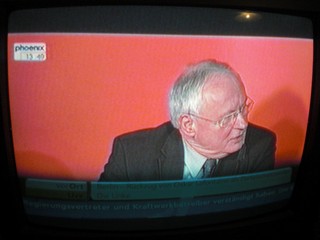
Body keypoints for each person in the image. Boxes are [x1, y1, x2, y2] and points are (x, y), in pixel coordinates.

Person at [99, 59, 276, 181]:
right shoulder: (131, 155)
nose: (243, 124)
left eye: (243, 109)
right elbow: (104, 213)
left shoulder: (259, 146)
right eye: (228, 117)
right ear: (188, 125)